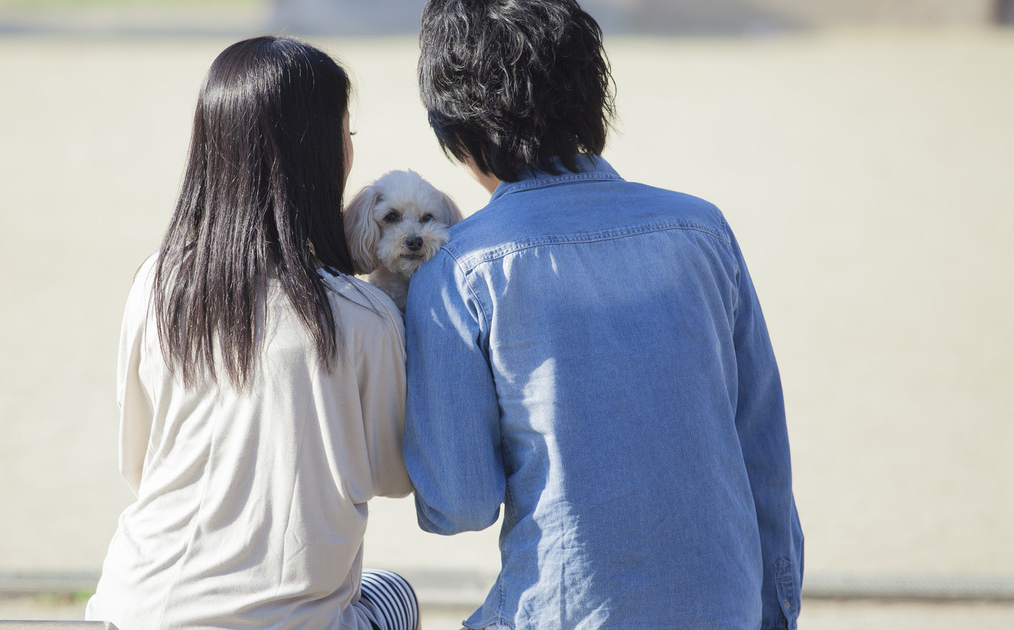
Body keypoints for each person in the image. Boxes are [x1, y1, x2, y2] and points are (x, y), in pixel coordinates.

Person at [402, 1, 804, 629]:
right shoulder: (703, 230)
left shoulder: (458, 270)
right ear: (593, 95)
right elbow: (764, 456)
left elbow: (460, 504)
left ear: (455, 126)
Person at [86, 36, 418, 630]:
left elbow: (137, 464)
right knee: (396, 593)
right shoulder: (364, 315)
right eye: (347, 133)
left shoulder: (156, 284)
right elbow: (393, 476)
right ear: (321, 153)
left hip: (128, 609)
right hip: (290, 621)